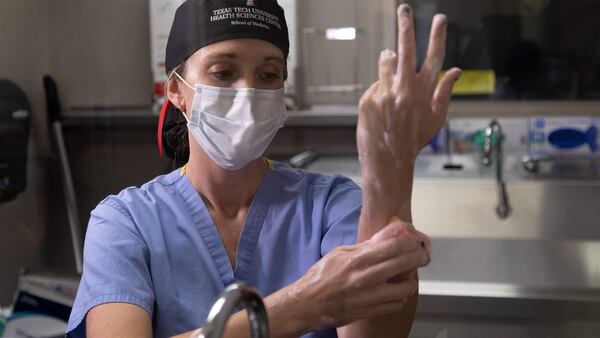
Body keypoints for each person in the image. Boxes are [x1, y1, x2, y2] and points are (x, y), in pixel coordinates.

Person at [66, 0, 461, 337]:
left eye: (269, 75)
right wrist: (305, 305)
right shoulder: (124, 222)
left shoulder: (329, 206)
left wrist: (390, 170)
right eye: (223, 73)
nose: (248, 92)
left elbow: (377, 333)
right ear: (177, 91)